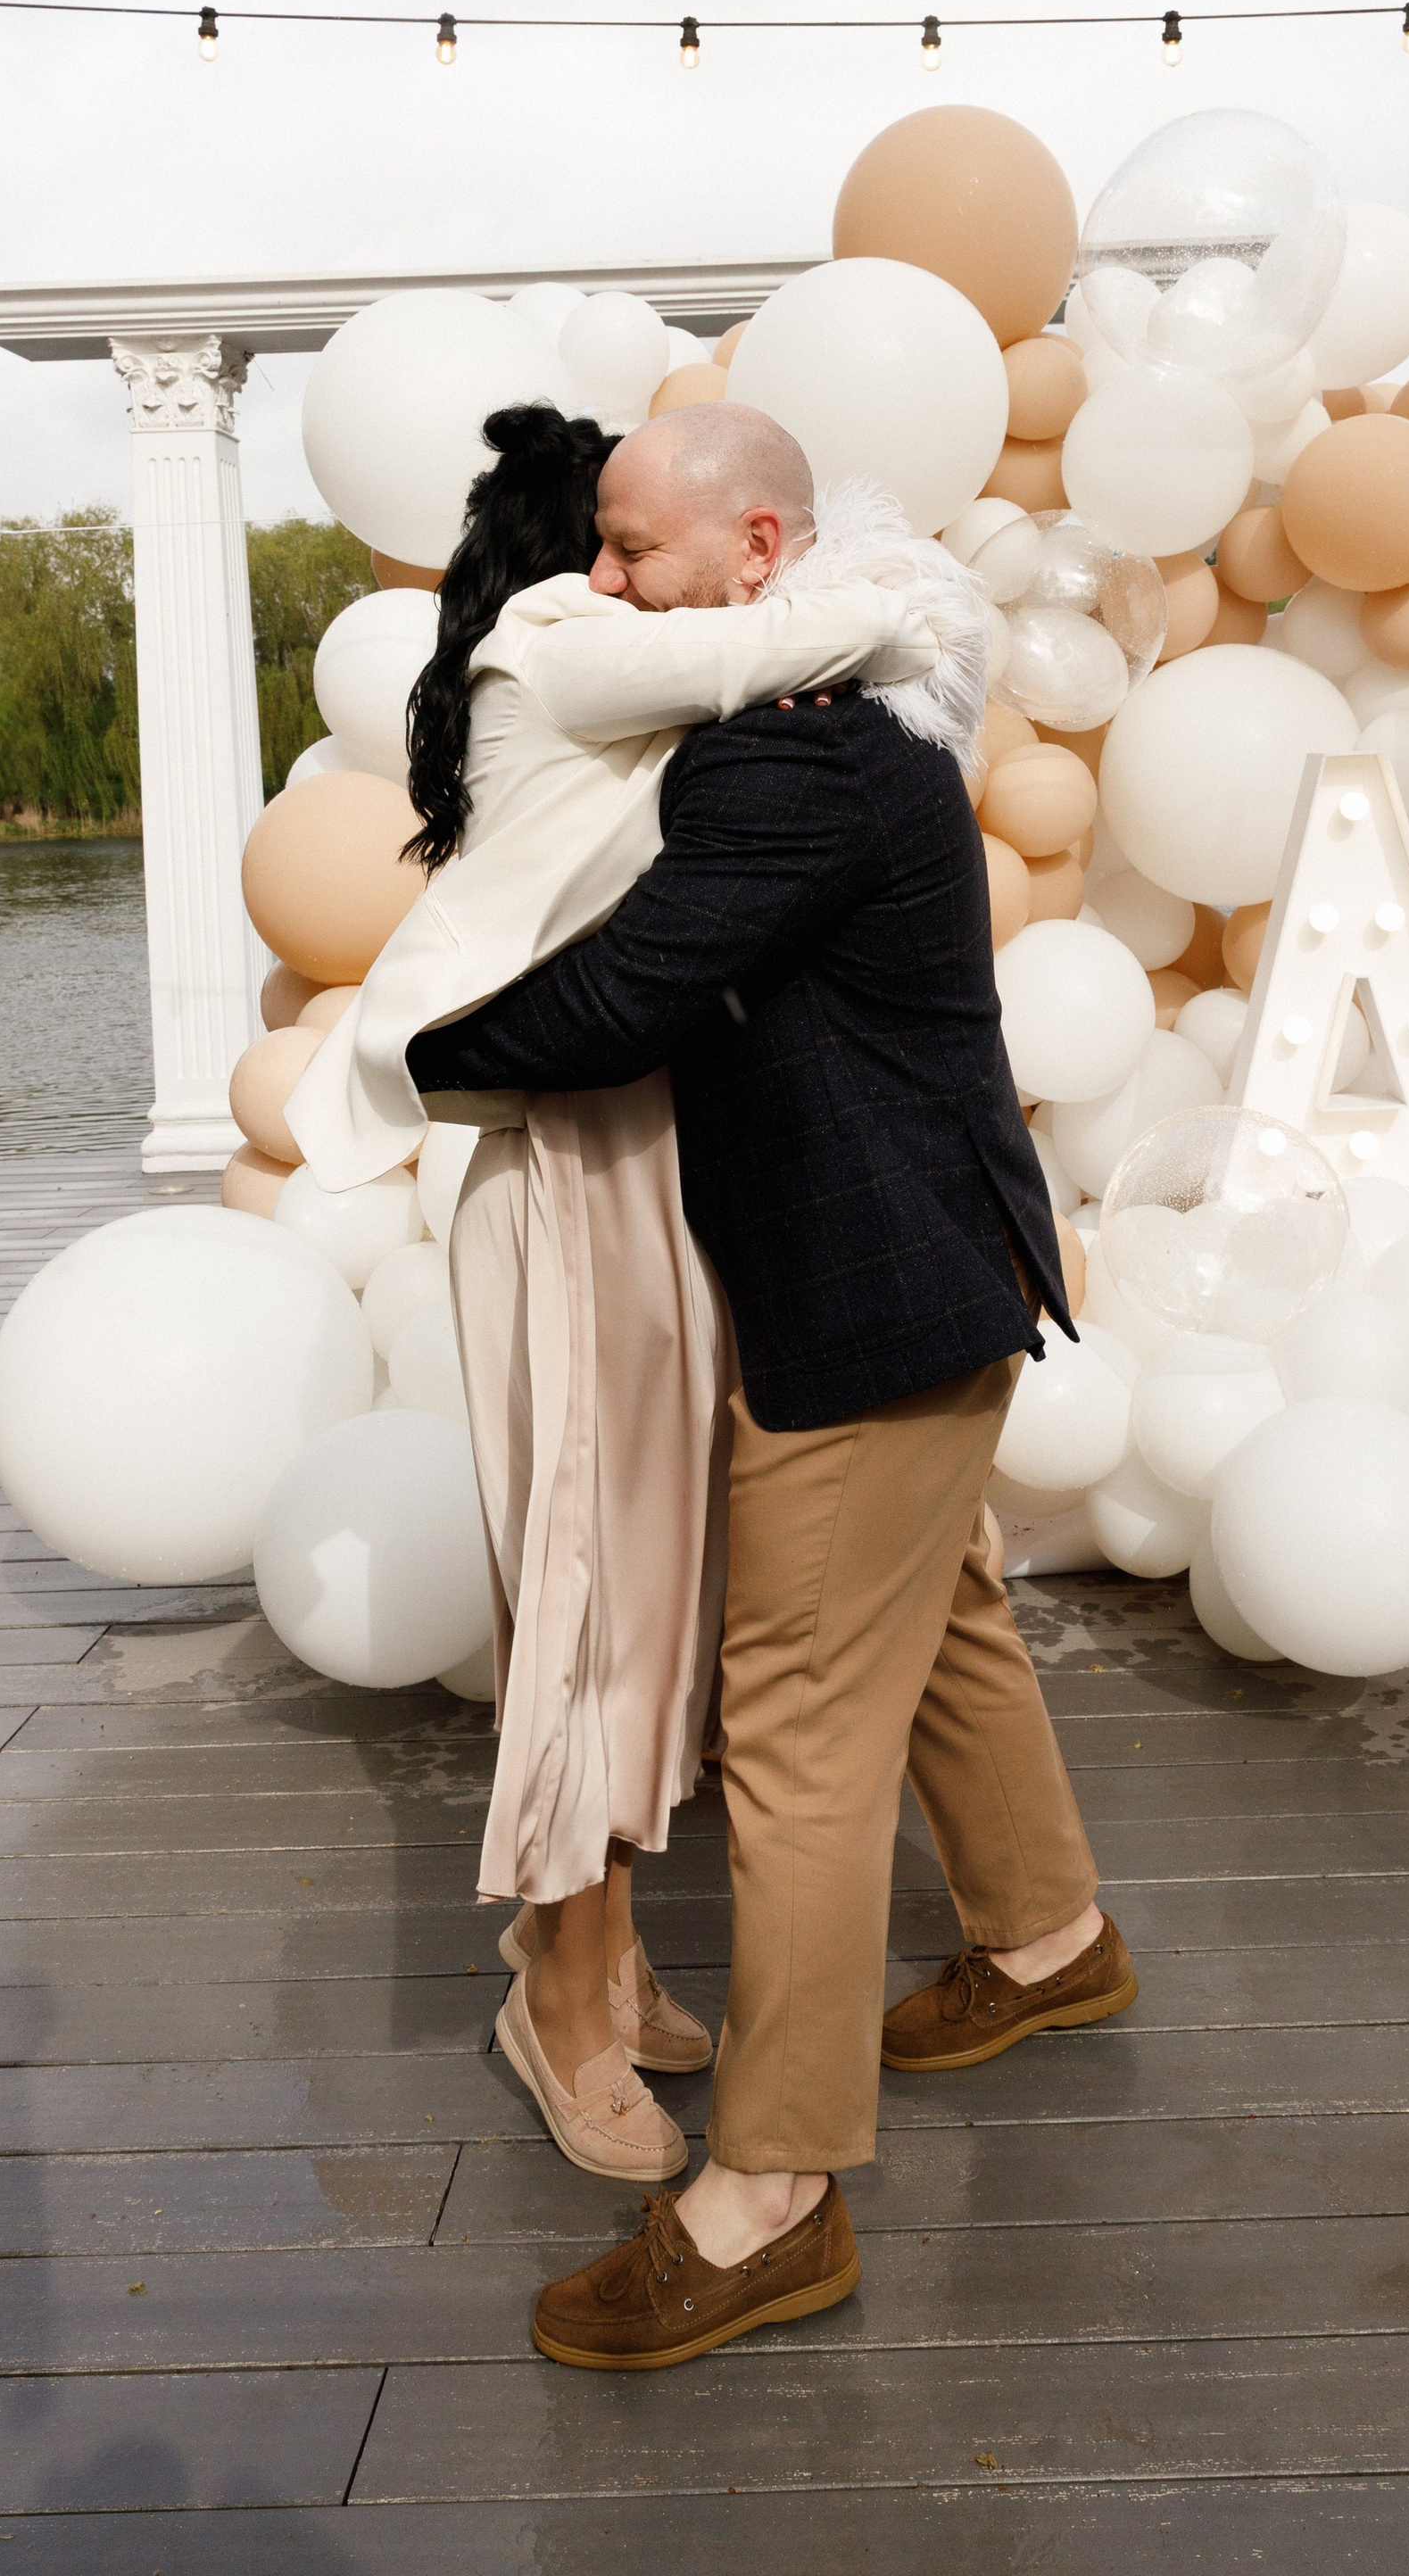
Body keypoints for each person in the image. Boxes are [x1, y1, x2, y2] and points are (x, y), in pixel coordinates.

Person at [410, 395, 1135, 2374]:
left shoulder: (784, 765)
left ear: (756, 554)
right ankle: (1048, 1937)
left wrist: (411, 1057)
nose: (601, 579)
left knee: (798, 1735)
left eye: (635, 549)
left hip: (868, 1301)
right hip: (944, 1273)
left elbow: (629, 995)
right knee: (952, 1612)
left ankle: (770, 2198)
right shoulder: (833, 722)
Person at [289, 398, 969, 2185]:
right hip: (570, 1170)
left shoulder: (655, 685)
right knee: (590, 1599)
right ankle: (562, 2009)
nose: (607, 570)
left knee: (651, 1600)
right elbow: (802, 628)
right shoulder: (563, 639)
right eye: (591, 537)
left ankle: (597, 1951)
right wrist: (879, 591)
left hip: (647, 1165)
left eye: (631, 539)